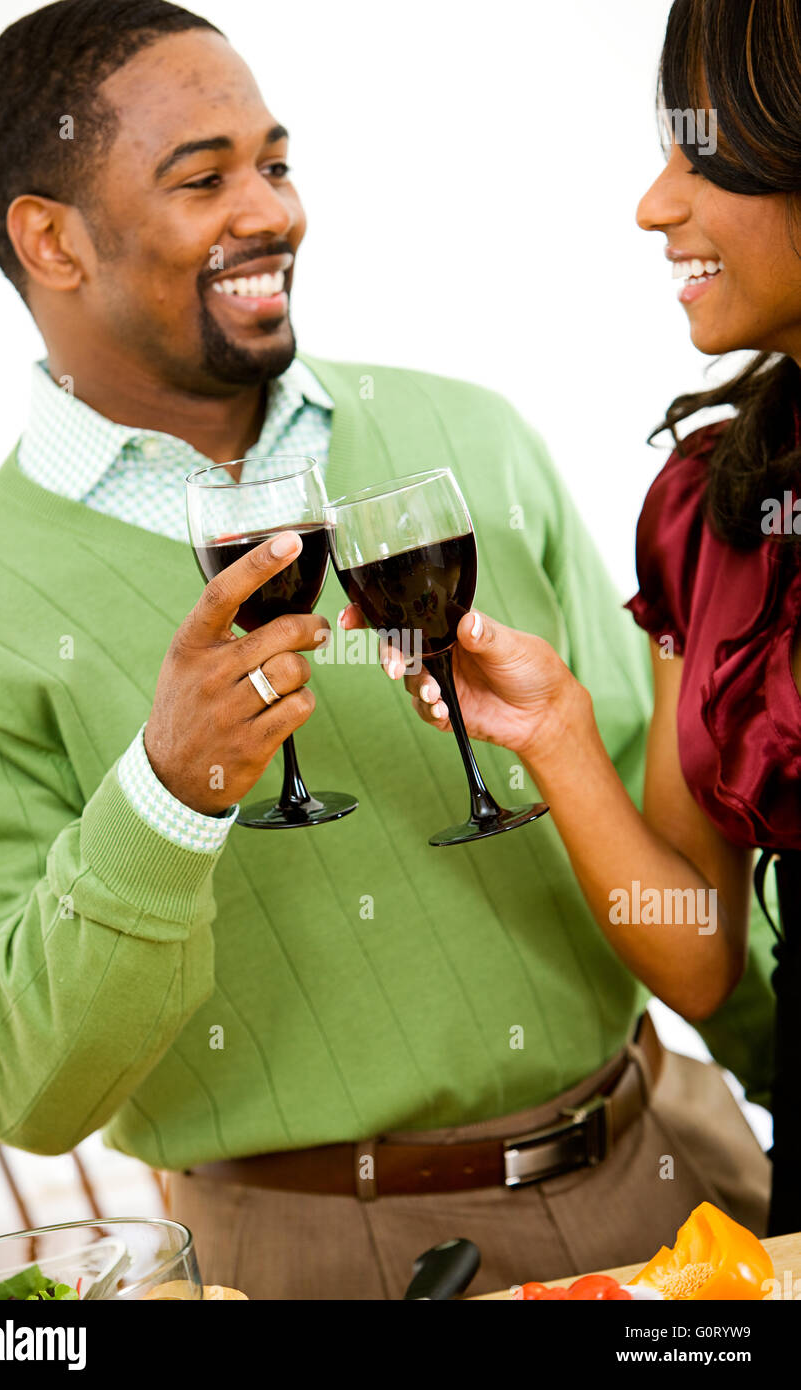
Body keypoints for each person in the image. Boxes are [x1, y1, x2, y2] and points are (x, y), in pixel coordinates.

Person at [0, 0, 774, 1298]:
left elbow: (676, 863)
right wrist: (163, 796)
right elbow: (16, 1085)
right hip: (317, 1256)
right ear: (48, 236)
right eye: (202, 178)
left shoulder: (470, 435)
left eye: (273, 162)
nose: (269, 210)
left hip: (668, 1171)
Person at [349, 0, 801, 1242]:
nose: (654, 206)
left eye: (701, 157)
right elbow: (698, 954)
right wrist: (551, 732)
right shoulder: (710, 510)